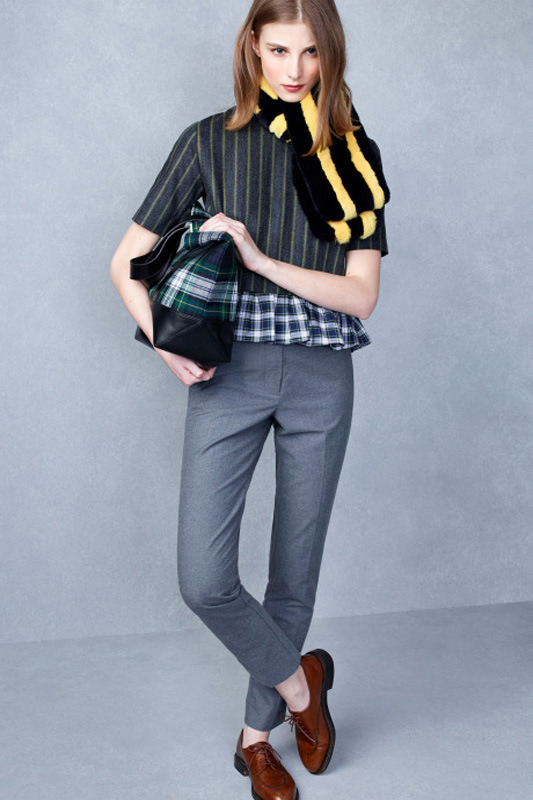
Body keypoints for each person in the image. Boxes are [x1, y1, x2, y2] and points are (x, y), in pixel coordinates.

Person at [110, 1, 389, 797]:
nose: (293, 69)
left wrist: (263, 263)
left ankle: (254, 739)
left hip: (321, 374)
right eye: (278, 50)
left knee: (293, 576)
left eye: (309, 52)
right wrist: (166, 344)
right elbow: (124, 262)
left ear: (329, 55)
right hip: (229, 374)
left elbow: (361, 297)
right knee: (204, 579)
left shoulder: (353, 155)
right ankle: (302, 687)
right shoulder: (208, 140)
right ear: (252, 50)